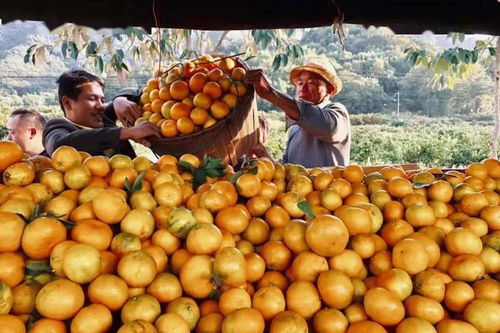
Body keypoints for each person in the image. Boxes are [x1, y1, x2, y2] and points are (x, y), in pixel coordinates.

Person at [244, 58, 350, 168]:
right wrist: (261, 152)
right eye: (300, 83)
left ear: (330, 89)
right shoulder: (295, 127)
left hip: (331, 185)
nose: (303, 88)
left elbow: (324, 124)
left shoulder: (337, 112)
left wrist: (270, 93)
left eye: (311, 82)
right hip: (299, 186)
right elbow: (286, 170)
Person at [43, 69, 160, 157]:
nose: (101, 106)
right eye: (92, 99)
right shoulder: (56, 127)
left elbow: (140, 92)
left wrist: (119, 100)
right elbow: (59, 146)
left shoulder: (104, 118)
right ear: (67, 103)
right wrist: (127, 132)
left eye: (102, 100)